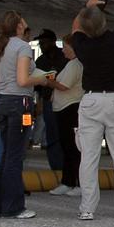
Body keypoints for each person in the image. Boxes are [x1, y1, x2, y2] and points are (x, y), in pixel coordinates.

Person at [72, 0, 114, 220]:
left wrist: (89, 4)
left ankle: (87, 208)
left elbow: (76, 26)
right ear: (104, 22)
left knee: (88, 158)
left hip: (90, 100)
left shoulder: (82, 44)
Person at [0, 11, 52, 220]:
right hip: (19, 102)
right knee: (15, 156)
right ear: (19, 26)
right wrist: (41, 79)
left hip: (1, 101)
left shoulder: (0, 46)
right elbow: (23, 80)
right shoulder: (22, 47)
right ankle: (13, 206)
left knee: (4, 155)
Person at [48, 35, 84, 197]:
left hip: (70, 109)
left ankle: (76, 182)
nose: (62, 50)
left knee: (73, 148)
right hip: (63, 109)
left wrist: (46, 81)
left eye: (65, 47)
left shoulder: (75, 64)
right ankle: (68, 181)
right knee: (67, 147)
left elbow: (64, 85)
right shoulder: (71, 64)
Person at [34, 29, 69, 172]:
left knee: (66, 134)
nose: (41, 46)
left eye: (44, 43)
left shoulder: (65, 56)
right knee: (52, 134)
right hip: (49, 101)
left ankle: (68, 166)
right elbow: (37, 85)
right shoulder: (40, 61)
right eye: (40, 43)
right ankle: (56, 166)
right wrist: (39, 103)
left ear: (53, 42)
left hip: (67, 101)